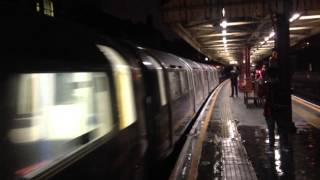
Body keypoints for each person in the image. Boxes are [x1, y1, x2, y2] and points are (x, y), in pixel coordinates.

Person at [264, 49, 290, 152]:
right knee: (279, 128)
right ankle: (280, 146)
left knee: (275, 128)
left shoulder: (276, 75)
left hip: (274, 108)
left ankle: (273, 147)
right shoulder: (276, 75)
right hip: (273, 108)